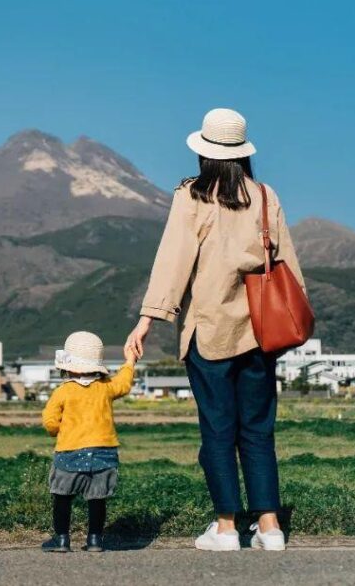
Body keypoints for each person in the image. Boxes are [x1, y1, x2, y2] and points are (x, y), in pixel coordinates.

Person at [125, 108, 305, 552]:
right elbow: (290, 269)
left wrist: (148, 319)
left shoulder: (192, 196)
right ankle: (269, 527)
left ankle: (226, 528)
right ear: (243, 154)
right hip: (261, 335)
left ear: (204, 153)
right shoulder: (265, 196)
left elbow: (173, 261)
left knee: (219, 431)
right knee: (259, 432)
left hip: (209, 335)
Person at [40, 331, 137, 552]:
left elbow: (50, 421)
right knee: (97, 499)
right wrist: (130, 360)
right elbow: (123, 382)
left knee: (62, 497)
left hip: (69, 452)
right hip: (104, 452)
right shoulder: (105, 387)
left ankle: (62, 539)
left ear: (68, 365)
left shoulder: (63, 391)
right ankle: (94, 540)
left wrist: (57, 431)